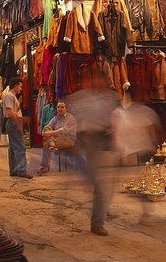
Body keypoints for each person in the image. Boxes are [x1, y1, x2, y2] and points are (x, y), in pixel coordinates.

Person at [67, 79, 120, 236]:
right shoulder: (82, 98)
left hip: (101, 143)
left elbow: (111, 122)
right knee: (99, 185)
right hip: (90, 142)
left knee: (101, 185)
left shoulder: (106, 99)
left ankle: (99, 217)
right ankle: (97, 221)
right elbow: (78, 124)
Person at [36, 100, 76, 174]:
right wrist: (45, 132)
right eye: (58, 107)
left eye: (62, 107)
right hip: (56, 138)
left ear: (66, 109)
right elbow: (48, 126)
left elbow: (62, 130)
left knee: (46, 143)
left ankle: (45, 167)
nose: (60, 109)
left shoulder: (70, 118)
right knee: (46, 128)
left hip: (68, 139)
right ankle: (52, 144)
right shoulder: (56, 118)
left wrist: (50, 133)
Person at [4, 77, 32, 179]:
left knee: (12, 148)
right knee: (20, 147)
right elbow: (9, 112)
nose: (21, 88)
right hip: (13, 123)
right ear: (15, 85)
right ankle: (22, 170)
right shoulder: (9, 96)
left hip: (13, 123)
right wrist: (17, 123)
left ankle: (14, 170)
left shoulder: (12, 97)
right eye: (20, 86)